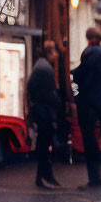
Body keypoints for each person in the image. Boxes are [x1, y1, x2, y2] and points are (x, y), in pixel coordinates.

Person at [71, 26, 101, 187]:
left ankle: (95, 178)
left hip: (90, 101)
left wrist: (73, 74)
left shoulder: (90, 53)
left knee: (89, 139)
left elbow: (85, 74)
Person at [27, 40, 63, 188]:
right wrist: (59, 106)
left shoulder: (40, 65)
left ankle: (42, 177)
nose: (56, 55)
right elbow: (50, 93)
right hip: (44, 112)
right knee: (44, 145)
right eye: (54, 52)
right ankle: (44, 177)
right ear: (49, 52)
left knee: (43, 145)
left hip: (40, 110)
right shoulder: (45, 68)